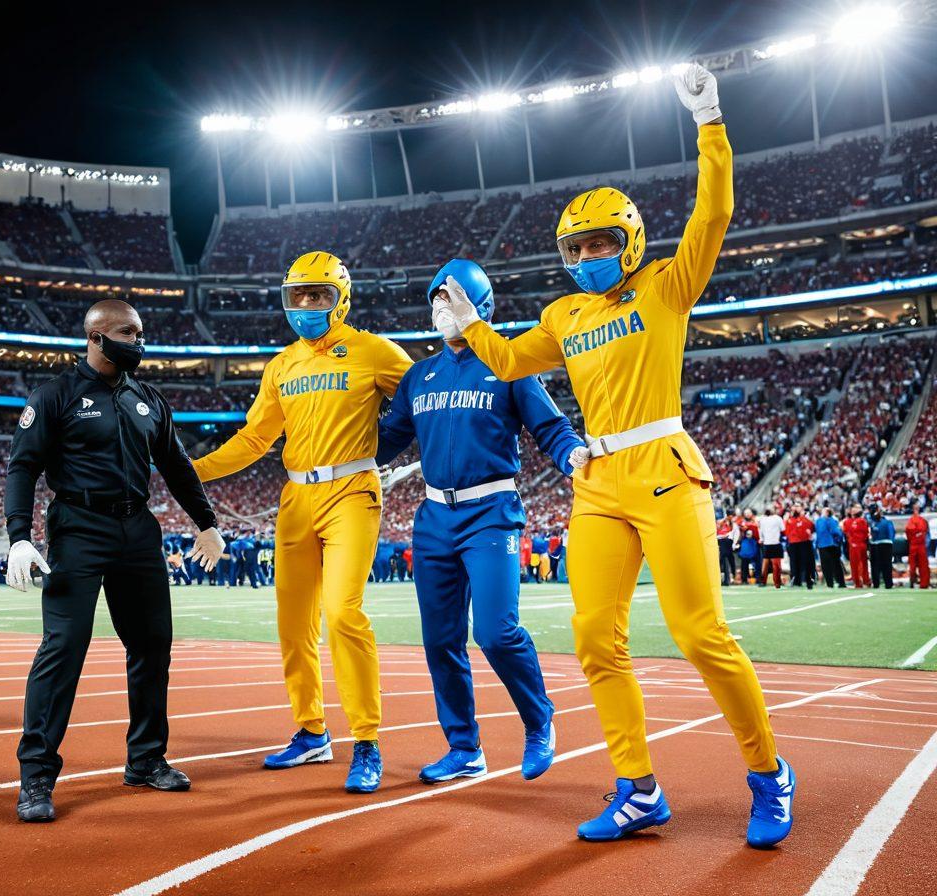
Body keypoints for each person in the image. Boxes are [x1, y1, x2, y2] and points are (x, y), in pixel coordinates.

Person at [440, 65, 794, 848]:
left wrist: (709, 119)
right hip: (598, 482)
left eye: (602, 241)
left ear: (630, 240)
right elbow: (507, 362)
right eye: (578, 245)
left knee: (700, 634)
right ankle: (637, 789)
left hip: (665, 467)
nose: (590, 253)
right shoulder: (564, 313)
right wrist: (469, 323)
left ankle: (769, 772)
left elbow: (717, 210)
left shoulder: (667, 286)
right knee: (595, 637)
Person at [192, 251, 412, 794]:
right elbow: (253, 439)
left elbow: (424, 398)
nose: (307, 305)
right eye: (298, 296)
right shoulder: (282, 365)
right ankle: (312, 732)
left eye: (319, 295)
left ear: (342, 299)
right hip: (296, 497)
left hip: (352, 491)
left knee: (342, 614)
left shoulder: (374, 351)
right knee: (293, 627)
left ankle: (367, 741)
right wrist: (189, 470)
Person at [5, 299, 225, 823]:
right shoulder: (54, 395)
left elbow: (176, 466)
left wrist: (207, 523)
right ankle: (36, 775)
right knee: (63, 647)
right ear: (96, 337)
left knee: (153, 644)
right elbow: (22, 468)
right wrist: (18, 536)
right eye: (129, 332)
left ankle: (146, 759)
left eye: (141, 331)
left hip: (137, 530)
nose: (140, 341)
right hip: (77, 527)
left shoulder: (149, 399)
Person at [377, 258, 588, 784]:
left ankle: (539, 721)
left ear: (481, 306)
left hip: (490, 514)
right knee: (439, 640)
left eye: (451, 298)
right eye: (436, 299)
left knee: (495, 632)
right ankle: (464, 747)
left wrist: (572, 459)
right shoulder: (418, 375)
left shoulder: (509, 363)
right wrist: (326, 443)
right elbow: (385, 440)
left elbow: (552, 428)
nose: (440, 309)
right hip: (432, 519)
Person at [784, 505, 815, 589]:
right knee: (794, 562)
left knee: (805, 562)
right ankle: (796, 580)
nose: (795, 509)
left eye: (797, 507)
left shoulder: (805, 519)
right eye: (794, 508)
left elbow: (811, 527)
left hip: (804, 543)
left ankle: (807, 580)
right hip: (793, 543)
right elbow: (785, 532)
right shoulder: (789, 520)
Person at [815, 507, 846, 589]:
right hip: (832, 545)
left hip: (822, 545)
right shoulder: (832, 520)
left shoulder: (818, 521)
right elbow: (836, 532)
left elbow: (817, 532)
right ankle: (841, 582)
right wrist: (838, 541)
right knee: (836, 565)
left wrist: (817, 544)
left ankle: (830, 583)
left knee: (826, 566)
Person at [842, 504, 871, 588]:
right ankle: (866, 581)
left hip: (854, 545)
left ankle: (858, 583)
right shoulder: (863, 521)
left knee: (855, 565)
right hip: (862, 544)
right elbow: (866, 533)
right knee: (864, 564)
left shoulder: (847, 522)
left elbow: (846, 532)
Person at [868, 506, 896, 590]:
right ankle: (879, 583)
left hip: (884, 544)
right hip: (876, 544)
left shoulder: (886, 522)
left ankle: (887, 583)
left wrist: (890, 542)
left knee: (884, 565)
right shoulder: (872, 522)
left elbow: (891, 533)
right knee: (878, 565)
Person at [758, 507, 785, 589]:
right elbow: (783, 529)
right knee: (776, 565)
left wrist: (762, 539)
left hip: (767, 544)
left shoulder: (762, 519)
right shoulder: (778, 518)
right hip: (775, 543)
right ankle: (777, 583)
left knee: (765, 565)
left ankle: (763, 582)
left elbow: (760, 531)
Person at [904, 504, 930, 589]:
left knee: (913, 566)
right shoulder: (923, 521)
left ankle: (913, 582)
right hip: (920, 545)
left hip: (913, 545)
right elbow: (925, 532)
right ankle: (924, 584)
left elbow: (908, 534)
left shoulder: (910, 521)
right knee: (923, 566)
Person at [737, 509, 761, 585]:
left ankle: (758, 578)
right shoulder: (741, 521)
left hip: (755, 544)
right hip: (745, 545)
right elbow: (740, 529)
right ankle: (744, 579)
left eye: (748, 513)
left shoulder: (756, 520)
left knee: (758, 562)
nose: (747, 514)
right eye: (745, 513)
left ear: (751, 513)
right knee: (744, 563)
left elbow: (758, 529)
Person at [715, 506, 737, 587]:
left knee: (729, 560)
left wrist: (734, 543)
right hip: (721, 541)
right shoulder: (721, 521)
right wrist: (724, 520)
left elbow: (734, 533)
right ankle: (725, 579)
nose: (731, 517)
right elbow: (718, 528)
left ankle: (731, 578)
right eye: (730, 515)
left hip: (728, 542)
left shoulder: (733, 523)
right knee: (723, 560)